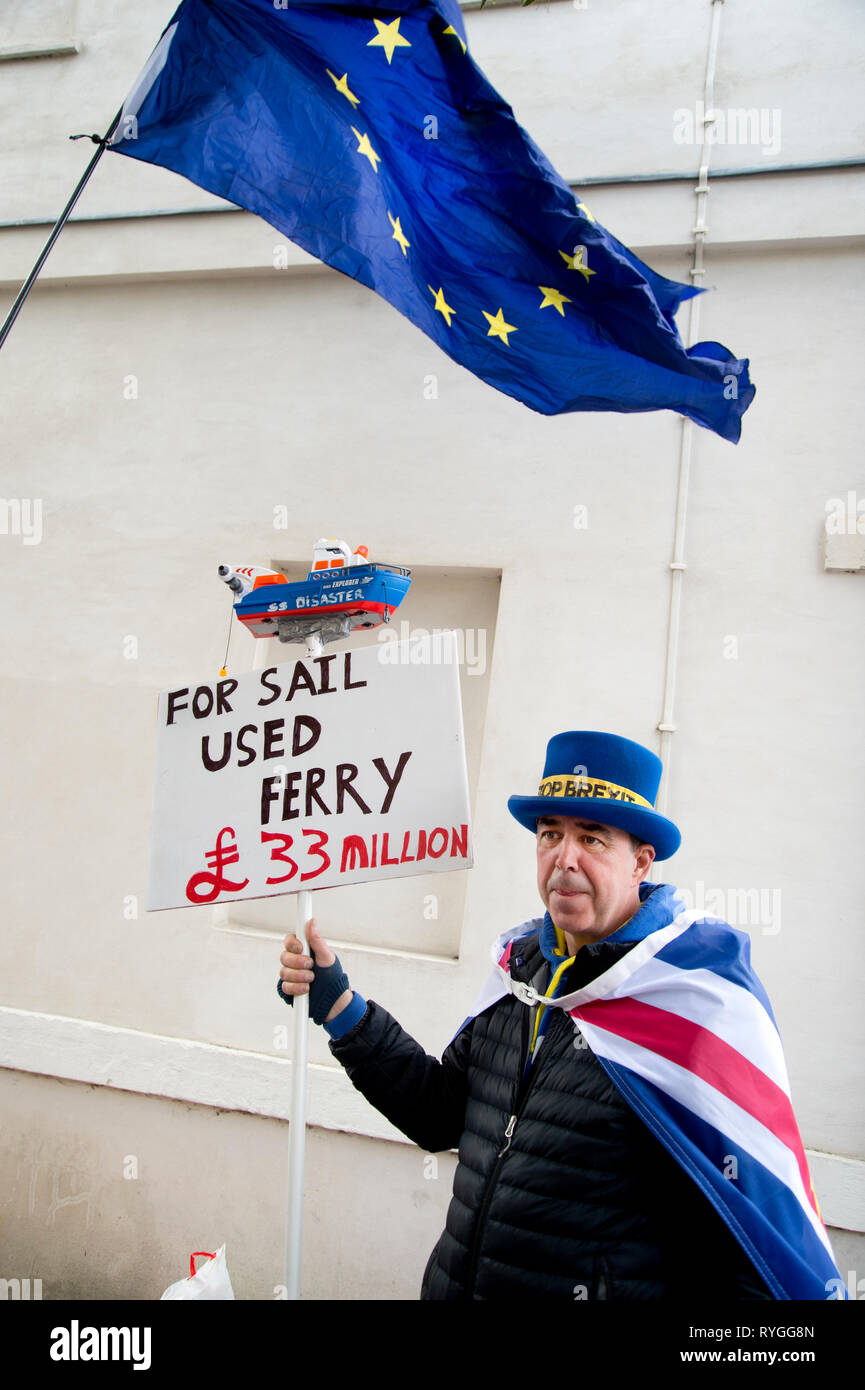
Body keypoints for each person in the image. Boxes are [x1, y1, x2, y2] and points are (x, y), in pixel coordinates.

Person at [277, 731, 843, 1301]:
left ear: (640, 862)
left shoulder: (697, 1005)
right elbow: (440, 1117)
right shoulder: (519, 974)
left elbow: (752, 1248)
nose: (563, 859)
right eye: (551, 834)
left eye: (593, 839)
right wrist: (341, 1009)